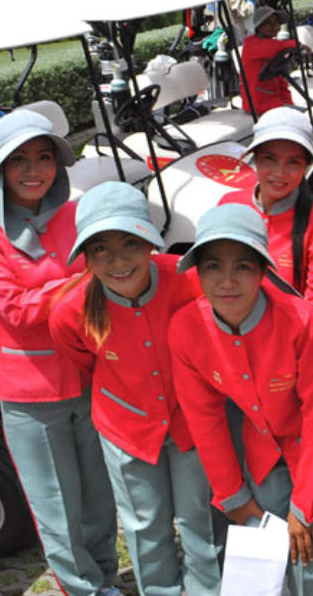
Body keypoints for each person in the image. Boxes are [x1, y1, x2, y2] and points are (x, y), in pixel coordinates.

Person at [168, 204, 313, 595]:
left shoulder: (302, 321)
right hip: (267, 443)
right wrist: (233, 495)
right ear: (197, 272)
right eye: (213, 266)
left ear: (264, 272)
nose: (227, 281)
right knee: (262, 554)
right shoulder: (185, 329)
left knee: (311, 561)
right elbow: (205, 420)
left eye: (243, 267)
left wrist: (304, 506)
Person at [0, 110, 120, 596]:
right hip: (31, 393)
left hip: (93, 378)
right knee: (57, 506)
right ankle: (81, 589)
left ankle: (106, 578)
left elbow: (120, 276)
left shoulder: (78, 214)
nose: (34, 169)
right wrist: (86, 281)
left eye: (45, 156)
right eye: (19, 159)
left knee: (99, 498)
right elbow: (15, 312)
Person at [49, 182, 223, 596]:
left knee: (201, 517)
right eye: (100, 249)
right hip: (126, 428)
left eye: (130, 242)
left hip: (192, 423)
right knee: (145, 527)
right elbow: (84, 360)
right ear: (86, 256)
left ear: (150, 242)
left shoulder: (187, 279)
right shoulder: (69, 310)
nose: (118, 260)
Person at [218, 106, 313, 303]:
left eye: (293, 162)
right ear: (255, 158)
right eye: (270, 159)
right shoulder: (229, 205)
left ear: (305, 166)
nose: (280, 172)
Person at [241, 5, 308, 116]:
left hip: (273, 101)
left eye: (276, 22)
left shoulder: (272, 46)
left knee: (303, 114)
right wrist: (296, 44)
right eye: (268, 23)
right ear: (259, 26)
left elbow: (281, 80)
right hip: (258, 103)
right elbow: (274, 47)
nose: (274, 26)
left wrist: (289, 103)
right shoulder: (252, 44)